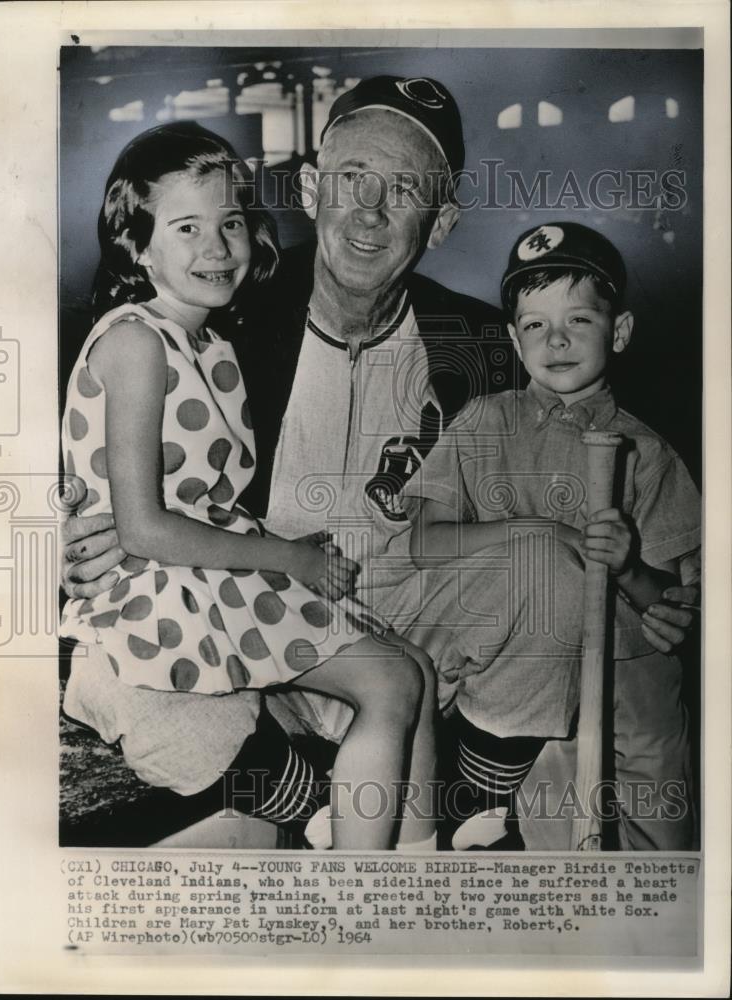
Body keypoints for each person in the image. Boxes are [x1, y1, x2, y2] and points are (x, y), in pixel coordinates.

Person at [62, 76, 699, 849]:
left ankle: (464, 801)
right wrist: (69, 526)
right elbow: (86, 433)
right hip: (246, 624)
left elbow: (599, 444)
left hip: (414, 631)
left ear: (441, 222)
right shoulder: (220, 302)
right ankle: (312, 813)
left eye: (405, 190)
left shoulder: (481, 344)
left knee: (543, 570)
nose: (370, 210)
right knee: (121, 678)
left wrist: (655, 585)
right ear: (309, 187)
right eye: (353, 178)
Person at [59, 120, 438, 852]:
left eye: (230, 222)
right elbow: (142, 527)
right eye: (188, 227)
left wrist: (285, 549)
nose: (217, 246)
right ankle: (366, 895)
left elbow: (210, 502)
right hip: (156, 591)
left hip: (206, 575)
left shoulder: (209, 341)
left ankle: (411, 876)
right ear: (138, 245)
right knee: (390, 683)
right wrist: (292, 561)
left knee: (407, 670)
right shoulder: (136, 341)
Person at [405, 222, 700, 849]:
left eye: (580, 321)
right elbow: (425, 544)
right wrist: (533, 531)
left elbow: (673, 610)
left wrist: (629, 568)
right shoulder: (483, 421)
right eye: (536, 324)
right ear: (514, 337)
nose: (556, 339)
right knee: (554, 845)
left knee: (665, 849)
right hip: (535, 679)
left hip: (635, 674)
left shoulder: (649, 452)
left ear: (618, 330)